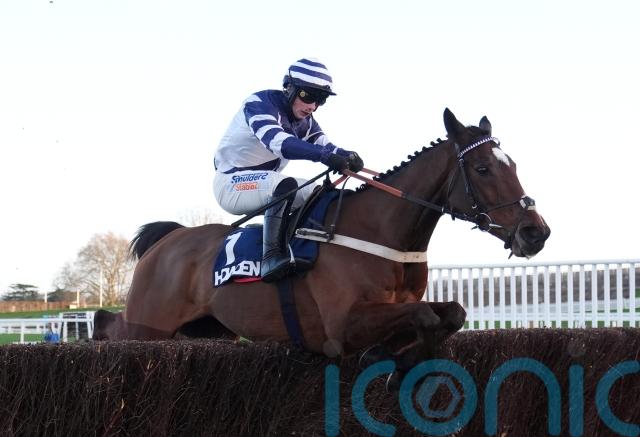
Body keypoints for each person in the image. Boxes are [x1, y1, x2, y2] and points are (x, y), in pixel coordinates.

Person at [213, 57, 363, 283]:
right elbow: (279, 142)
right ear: (290, 88)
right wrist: (325, 157)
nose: (312, 106)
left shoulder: (307, 122)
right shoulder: (259, 103)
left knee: (321, 194)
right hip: (230, 184)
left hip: (263, 183)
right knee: (286, 185)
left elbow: (327, 146)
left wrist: (348, 156)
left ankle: (304, 249)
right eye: (308, 96)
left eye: (320, 99)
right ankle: (271, 259)